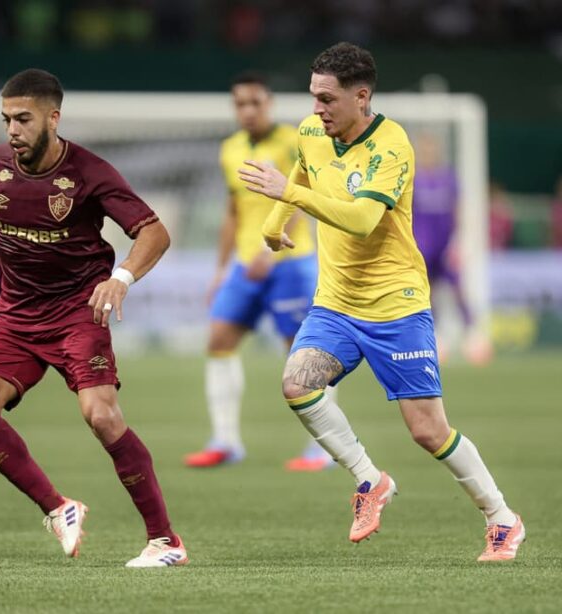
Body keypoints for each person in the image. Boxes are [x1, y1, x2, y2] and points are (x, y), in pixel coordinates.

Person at [238, 42, 524, 561]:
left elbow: (363, 220)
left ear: (361, 96)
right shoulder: (311, 131)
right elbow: (304, 168)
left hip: (396, 304)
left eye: (327, 99)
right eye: (313, 97)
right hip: (336, 303)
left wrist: (287, 197)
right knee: (297, 385)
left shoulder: (392, 146)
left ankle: (502, 517)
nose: (316, 109)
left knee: (427, 430)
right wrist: (275, 225)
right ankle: (370, 480)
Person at [0, 69, 187, 568]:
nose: (12, 130)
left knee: (101, 415)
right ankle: (58, 508)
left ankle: (165, 541)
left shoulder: (90, 172)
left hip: (78, 309)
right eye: (6, 119)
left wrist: (121, 277)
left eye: (23, 119)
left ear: (53, 118)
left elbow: (154, 233)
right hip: (16, 314)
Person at [183, 72, 334, 472]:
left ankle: (323, 447)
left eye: (255, 102)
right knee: (218, 340)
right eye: (240, 104)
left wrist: (275, 243)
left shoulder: (293, 141)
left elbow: (306, 199)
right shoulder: (230, 149)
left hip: (289, 263)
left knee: (303, 356)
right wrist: (219, 270)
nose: (248, 111)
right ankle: (226, 442)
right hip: (245, 265)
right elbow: (233, 211)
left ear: (270, 104)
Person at [411, 132, 490, 364]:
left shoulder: (448, 178)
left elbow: (458, 210)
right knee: (427, 292)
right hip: (422, 247)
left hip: (446, 246)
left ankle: (473, 334)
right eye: (423, 150)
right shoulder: (413, 179)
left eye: (430, 149)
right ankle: (435, 337)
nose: (427, 154)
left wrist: (460, 241)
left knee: (458, 289)